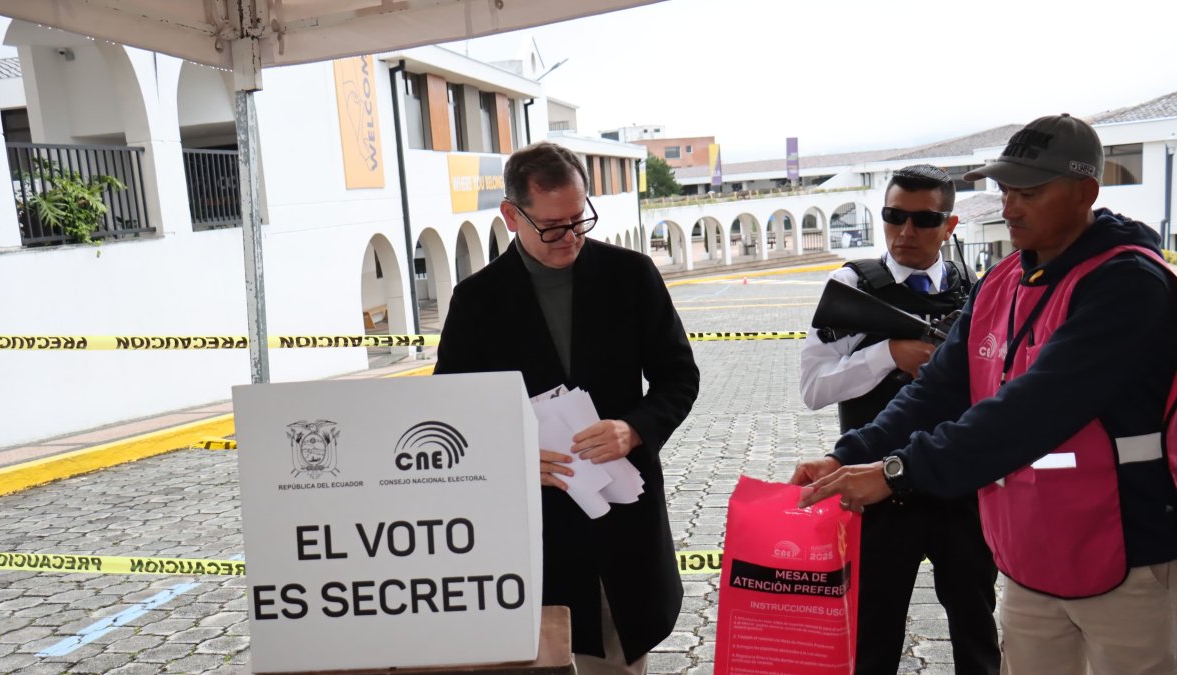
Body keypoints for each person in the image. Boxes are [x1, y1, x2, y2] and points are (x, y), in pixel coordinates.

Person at [795, 113, 1177, 674]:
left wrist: (896, 471)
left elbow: (1032, 409)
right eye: (1004, 190)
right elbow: (940, 391)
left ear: (1084, 193)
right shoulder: (1003, 281)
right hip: (1028, 555)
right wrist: (846, 456)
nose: (1009, 207)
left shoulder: (1128, 282)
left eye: (1030, 192)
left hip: (1126, 552)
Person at [434, 141, 700, 674]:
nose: (571, 237)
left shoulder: (632, 275)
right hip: (530, 525)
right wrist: (508, 459)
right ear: (512, 216)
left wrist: (634, 428)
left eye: (580, 220)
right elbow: (450, 414)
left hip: (619, 509)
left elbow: (679, 376)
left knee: (619, 656)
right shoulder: (476, 300)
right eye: (553, 226)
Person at [799, 164, 998, 675]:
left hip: (959, 486)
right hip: (874, 488)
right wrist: (889, 353)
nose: (905, 232)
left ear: (950, 226)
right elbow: (814, 388)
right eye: (893, 216)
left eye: (923, 220)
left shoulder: (972, 289)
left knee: (976, 626)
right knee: (873, 633)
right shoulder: (853, 287)